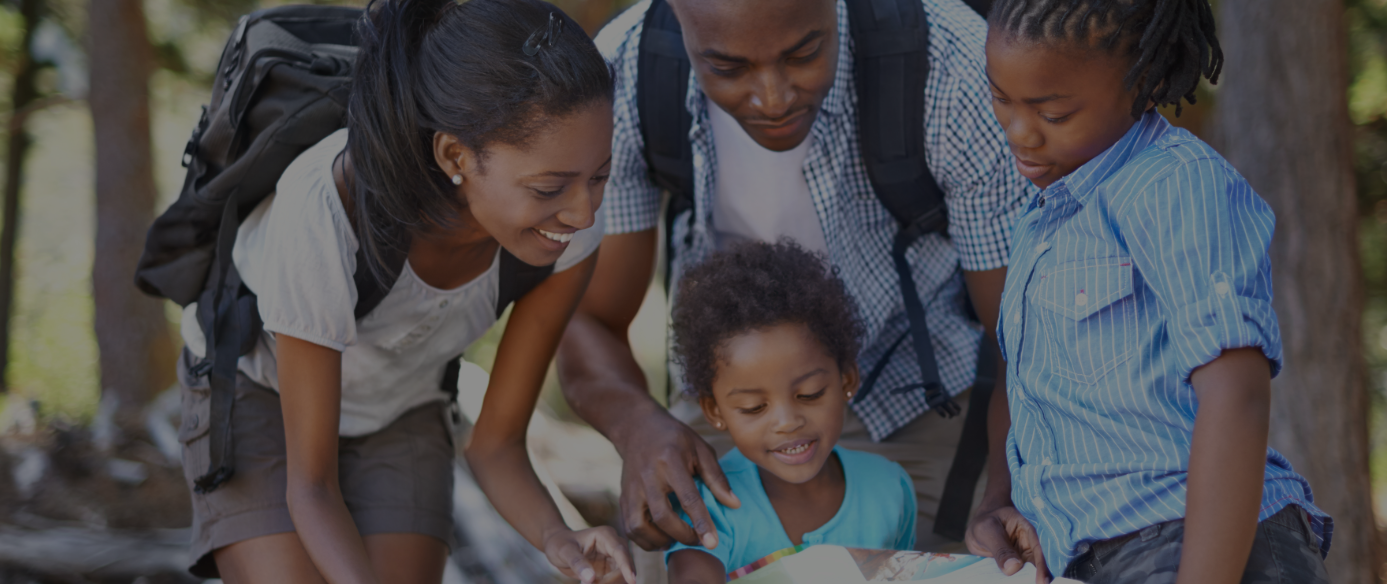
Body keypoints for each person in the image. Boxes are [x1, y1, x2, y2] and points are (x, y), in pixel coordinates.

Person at [556, 0, 1035, 569]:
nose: (774, 98)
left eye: (804, 53)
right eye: (729, 68)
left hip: (923, 393)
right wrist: (637, 426)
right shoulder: (625, 75)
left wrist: (1004, 492)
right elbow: (587, 318)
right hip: (739, 401)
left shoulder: (950, 64)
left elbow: (1022, 336)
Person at [171, 1, 633, 582]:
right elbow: (310, 487)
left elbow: (496, 446)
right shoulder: (325, 211)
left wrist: (559, 539)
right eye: (549, 187)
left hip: (403, 401)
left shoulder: (568, 233)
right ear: (455, 155)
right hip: (258, 390)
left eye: (599, 175)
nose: (584, 212)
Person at [965, 1, 1334, 583]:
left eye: (1052, 112)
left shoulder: (1176, 184)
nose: (1018, 131)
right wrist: (994, 503)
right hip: (1092, 555)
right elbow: (1024, 381)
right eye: (1001, 99)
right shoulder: (1040, 218)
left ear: (1148, 82)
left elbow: (1237, 395)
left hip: (1195, 543)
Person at [665, 241, 918, 584]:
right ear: (714, 410)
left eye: (809, 394)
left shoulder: (890, 489)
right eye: (754, 407)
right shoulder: (709, 509)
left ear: (847, 379)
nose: (787, 421)